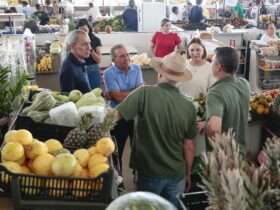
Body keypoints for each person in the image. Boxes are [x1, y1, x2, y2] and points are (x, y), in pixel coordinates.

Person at [116, 50, 196, 207]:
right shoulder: (189, 106)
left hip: (149, 171)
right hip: (176, 173)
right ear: (179, 79)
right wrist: (187, 173)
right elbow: (189, 145)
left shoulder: (144, 93)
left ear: (160, 73)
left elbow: (115, 116)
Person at [104, 44, 144, 172]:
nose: (126, 58)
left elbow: (141, 92)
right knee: (117, 150)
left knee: (139, 148)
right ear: (114, 60)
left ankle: (138, 174)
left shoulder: (137, 68)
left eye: (127, 55)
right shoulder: (108, 73)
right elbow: (117, 97)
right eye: (122, 56)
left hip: (136, 115)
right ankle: (118, 178)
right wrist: (135, 92)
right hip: (118, 116)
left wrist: (123, 93)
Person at [205, 47, 250, 151]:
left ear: (219, 67)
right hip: (240, 150)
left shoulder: (215, 93)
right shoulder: (244, 84)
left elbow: (214, 129)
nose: (210, 64)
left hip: (223, 157)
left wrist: (208, 125)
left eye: (212, 62)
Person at [76, 19, 102, 89]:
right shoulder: (75, 41)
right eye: (81, 30)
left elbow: (98, 60)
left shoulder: (95, 40)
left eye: (85, 29)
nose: (83, 32)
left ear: (89, 29)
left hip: (92, 69)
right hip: (79, 70)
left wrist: (89, 48)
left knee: (95, 93)